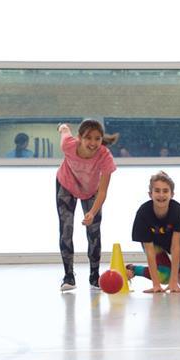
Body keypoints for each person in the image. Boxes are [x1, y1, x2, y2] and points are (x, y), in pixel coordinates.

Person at [56, 120, 118, 291]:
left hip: (91, 191)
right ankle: (68, 276)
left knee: (94, 231)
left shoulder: (105, 156)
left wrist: (92, 212)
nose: (93, 143)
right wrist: (63, 127)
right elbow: (64, 131)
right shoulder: (68, 145)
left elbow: (103, 191)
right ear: (79, 138)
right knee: (66, 228)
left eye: (97, 139)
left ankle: (94, 275)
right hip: (66, 185)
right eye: (88, 138)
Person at [127, 171, 180, 294]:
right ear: (150, 194)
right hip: (155, 245)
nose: (161, 195)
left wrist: (174, 281)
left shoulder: (177, 210)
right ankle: (134, 269)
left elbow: (175, 247)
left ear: (172, 194)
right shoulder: (143, 213)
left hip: (172, 243)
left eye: (165, 191)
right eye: (157, 191)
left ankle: (177, 273)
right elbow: (149, 251)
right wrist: (156, 285)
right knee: (164, 277)